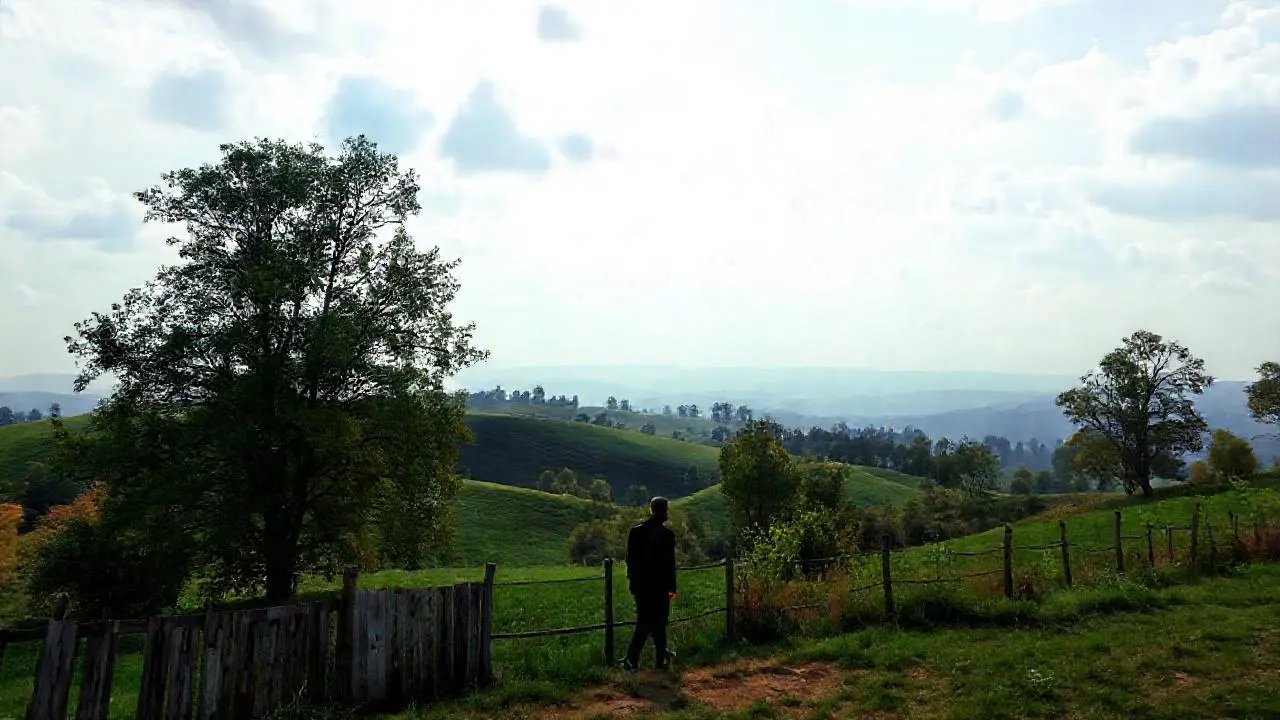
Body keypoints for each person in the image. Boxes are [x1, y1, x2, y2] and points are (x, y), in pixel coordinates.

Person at [622, 496, 677, 672]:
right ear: (664, 511)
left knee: (645, 621)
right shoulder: (667, 535)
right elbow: (669, 565)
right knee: (658, 622)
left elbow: (630, 560)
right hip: (659, 586)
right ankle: (647, 659)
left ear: (652, 509)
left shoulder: (636, 532)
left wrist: (633, 581)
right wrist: (672, 588)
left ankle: (643, 660)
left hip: (641, 586)